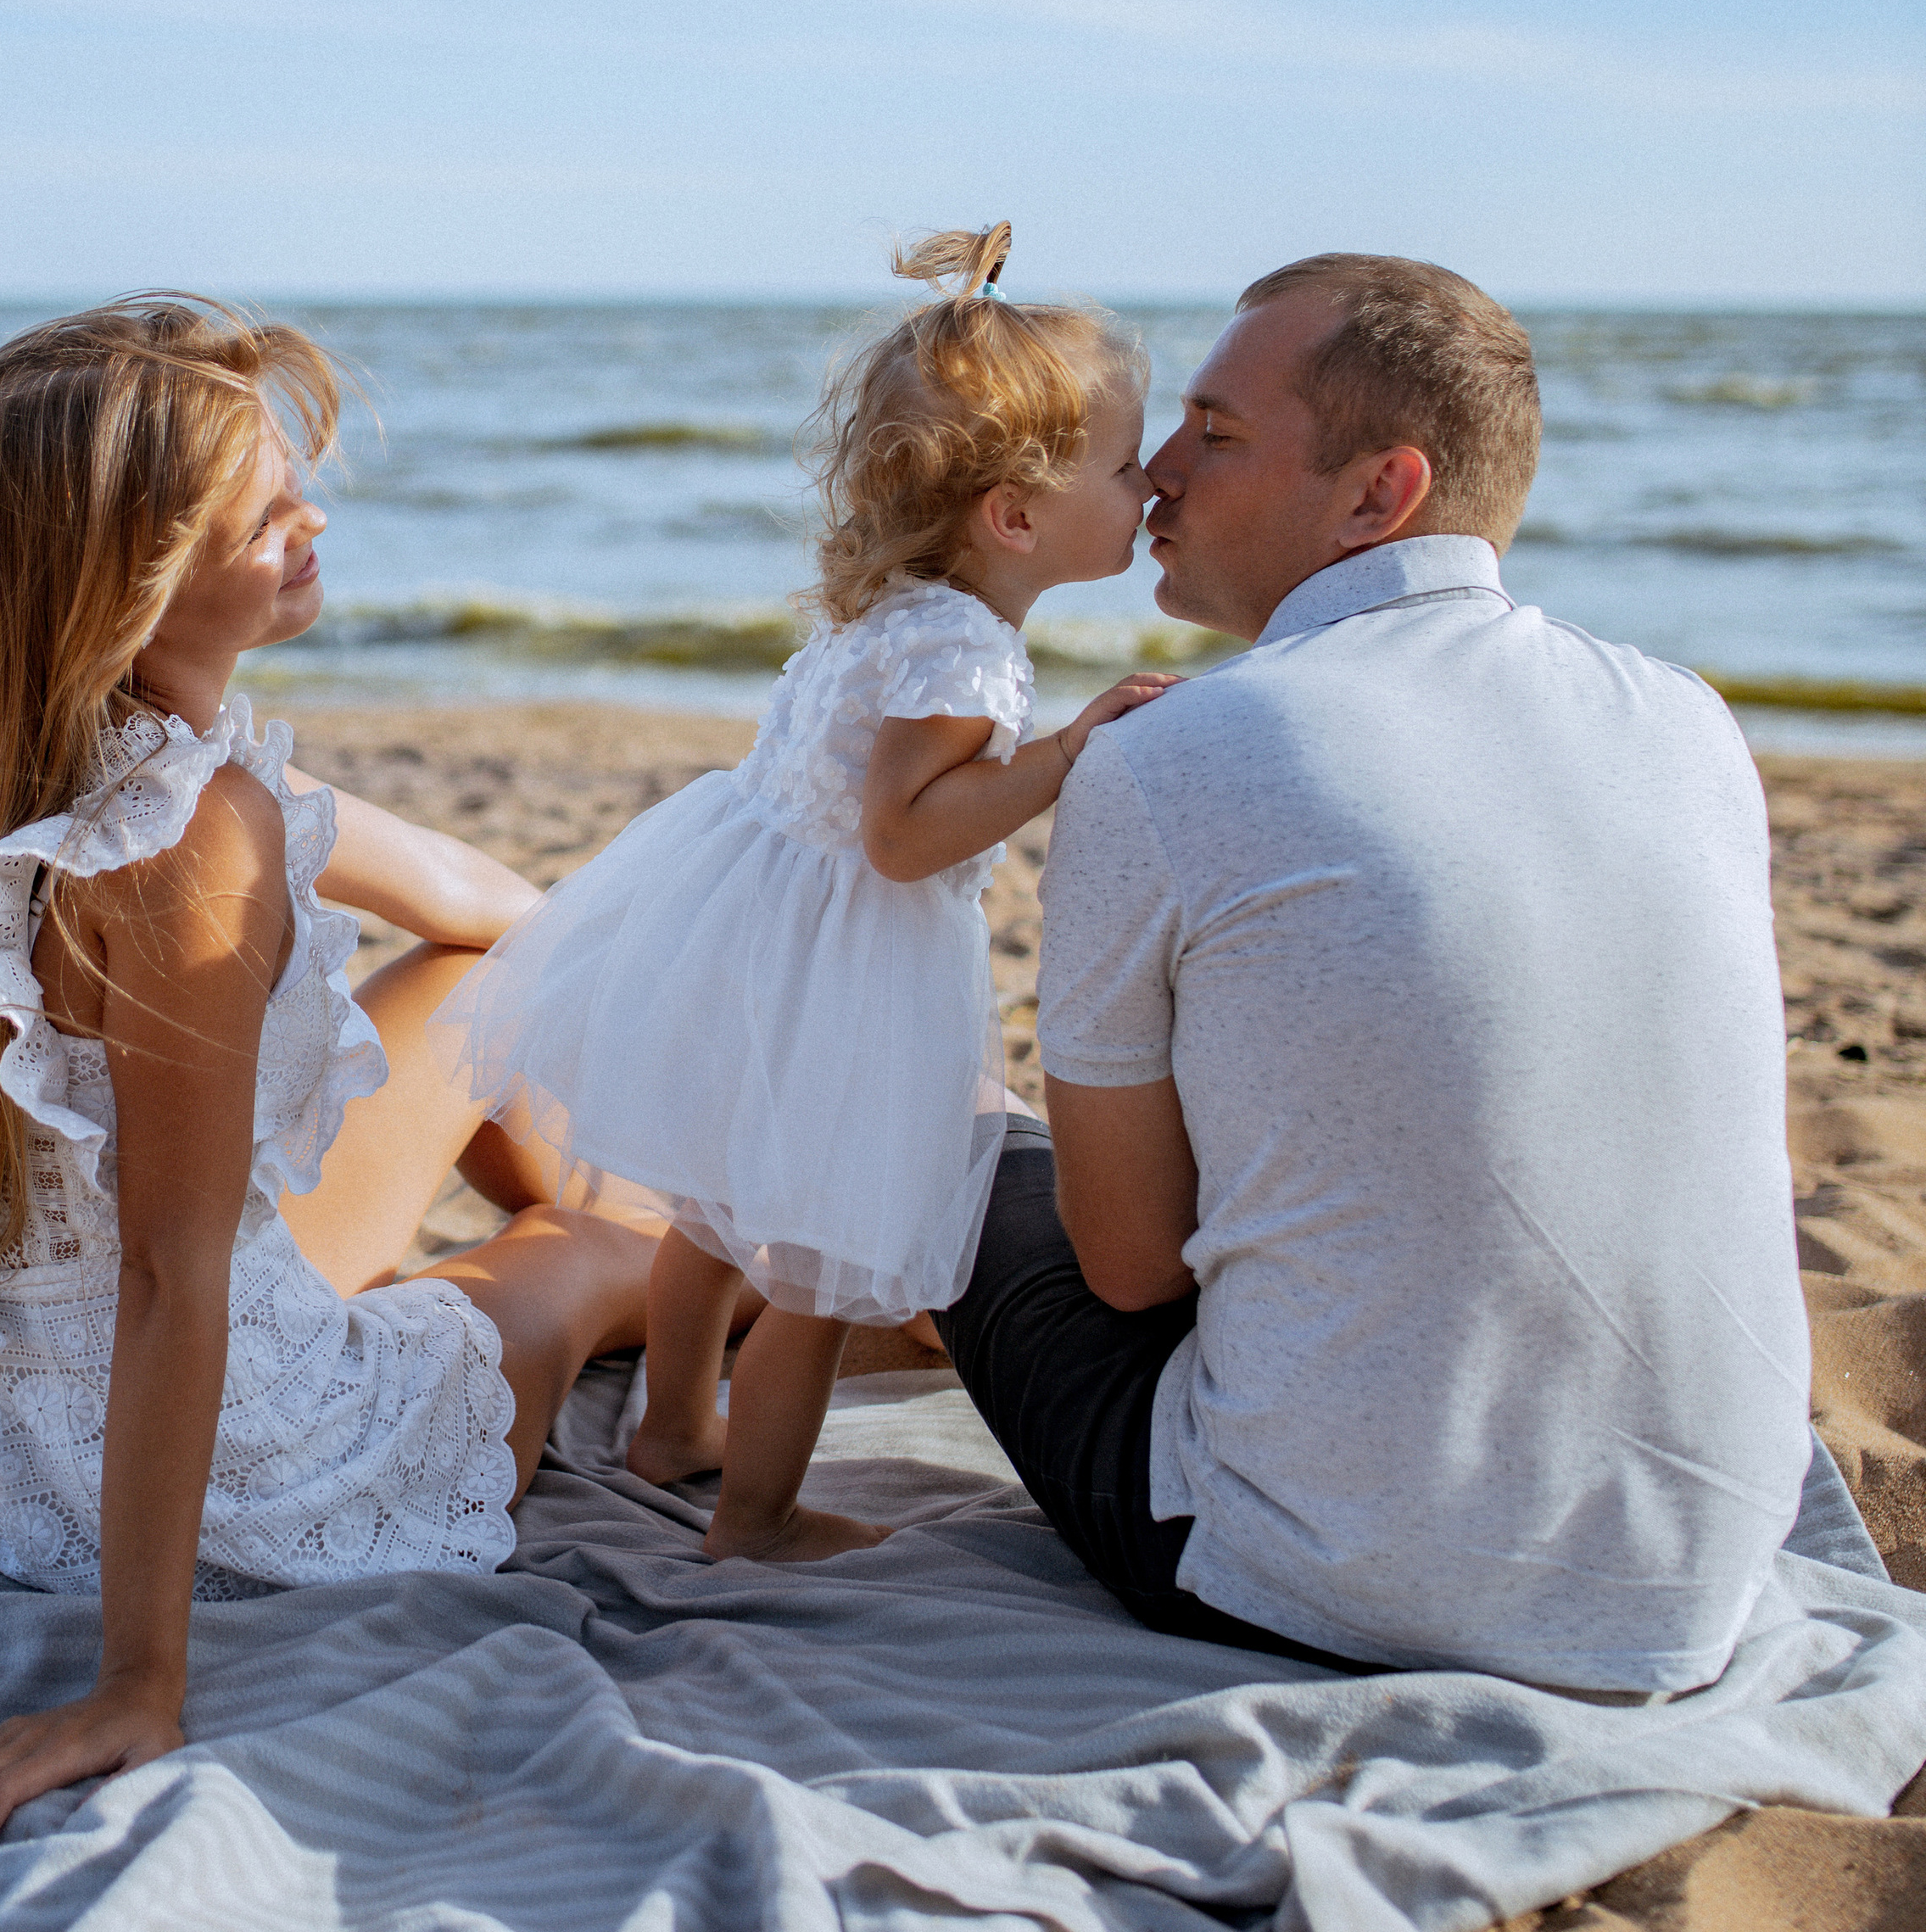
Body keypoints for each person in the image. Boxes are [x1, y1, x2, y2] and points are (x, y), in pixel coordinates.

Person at [0, 299, 657, 1862]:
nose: (314, 521)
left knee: (477, 988)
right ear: (131, 579)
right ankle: (735, 1316)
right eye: (267, 510)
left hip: (6, 1459)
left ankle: (673, 1294)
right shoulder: (198, 838)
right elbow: (167, 1271)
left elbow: (499, 922)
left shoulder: (25, 767)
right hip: (243, 1484)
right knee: (598, 1249)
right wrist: (138, 1686)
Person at [941, 252, 1813, 1695]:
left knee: (952, 1116)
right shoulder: (1687, 720)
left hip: (1325, 1579)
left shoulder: (1164, 758)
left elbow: (1132, 1265)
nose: (1154, 470)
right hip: (1690, 1578)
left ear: (1378, 494)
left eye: (1215, 433)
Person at [433, 226, 1175, 1562]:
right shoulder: (966, 650)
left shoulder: (903, 605)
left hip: (759, 921)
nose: (1153, 486)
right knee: (824, 1270)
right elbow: (904, 836)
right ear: (1014, 513)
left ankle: (671, 1432)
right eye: (1127, 469)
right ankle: (756, 1517)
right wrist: (1065, 754)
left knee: (715, 1210)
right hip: (849, 954)